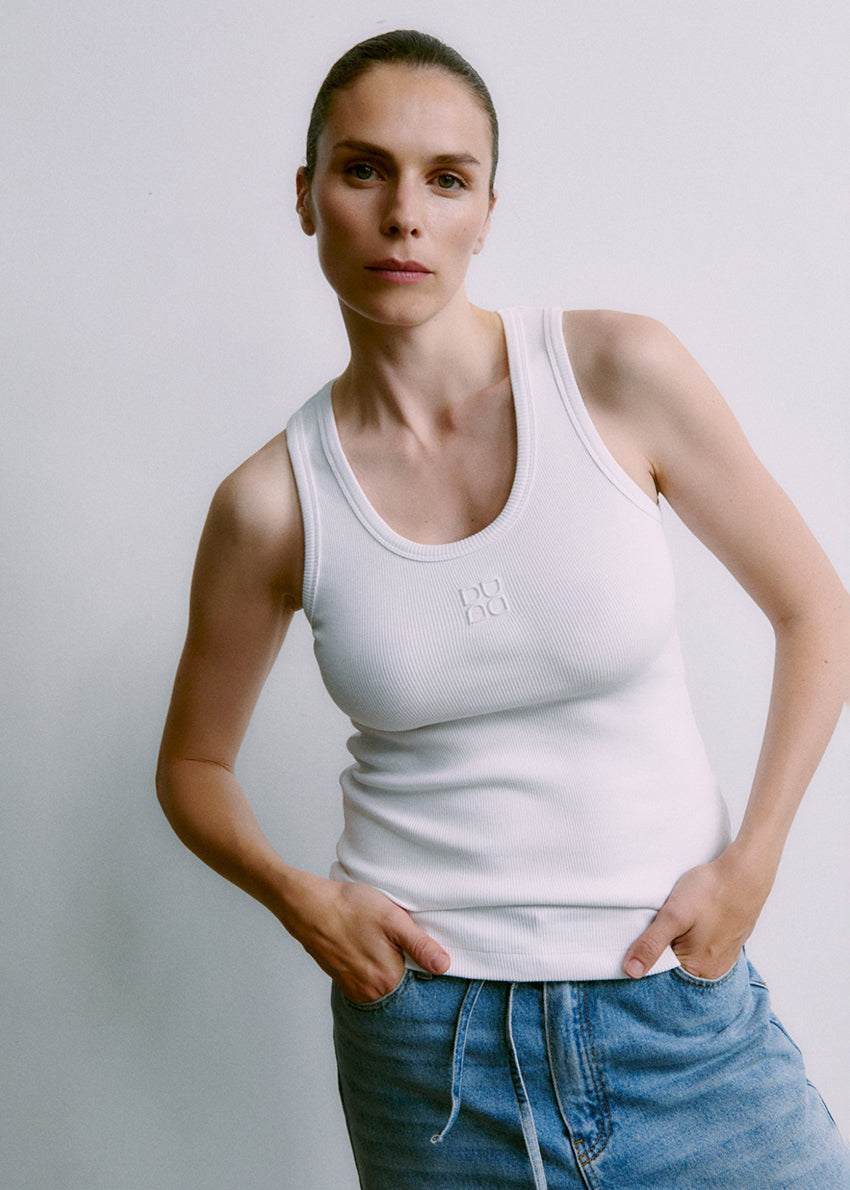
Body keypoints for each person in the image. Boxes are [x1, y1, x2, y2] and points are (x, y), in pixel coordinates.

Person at [156, 28, 850, 1190]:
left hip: (675, 1010)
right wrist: (302, 901)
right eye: (363, 168)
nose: (403, 216)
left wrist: (756, 856)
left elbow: (815, 608)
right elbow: (193, 765)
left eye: (446, 178)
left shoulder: (618, 374)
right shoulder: (273, 502)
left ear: (486, 208)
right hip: (429, 1050)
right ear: (307, 194)